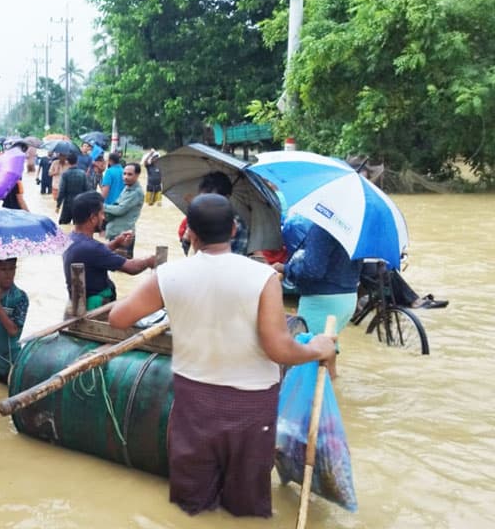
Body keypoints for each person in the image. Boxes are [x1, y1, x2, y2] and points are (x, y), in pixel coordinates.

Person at [108, 193, 338, 518]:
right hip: (250, 407)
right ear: (233, 230)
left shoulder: (170, 276)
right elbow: (278, 348)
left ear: (191, 233)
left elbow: (118, 318)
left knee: (195, 502)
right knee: (243, 505)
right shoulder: (263, 278)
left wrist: (177, 303)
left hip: (192, 405)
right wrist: (318, 347)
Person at [62, 191, 160, 310]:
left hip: (81, 301)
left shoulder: (71, 239)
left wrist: (116, 243)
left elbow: (96, 255)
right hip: (95, 307)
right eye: (102, 213)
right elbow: (131, 268)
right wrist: (149, 261)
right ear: (93, 218)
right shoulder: (92, 248)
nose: (103, 218)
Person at [274, 219, 363, 340]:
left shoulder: (322, 227)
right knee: (326, 349)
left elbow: (312, 270)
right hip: (348, 298)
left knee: (305, 351)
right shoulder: (352, 228)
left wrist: (285, 268)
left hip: (321, 300)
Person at [104, 163, 144, 258]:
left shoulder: (136, 192)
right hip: (117, 233)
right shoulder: (127, 188)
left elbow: (120, 210)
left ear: (137, 175)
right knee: (115, 268)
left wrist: (102, 206)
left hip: (124, 236)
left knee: (122, 267)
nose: (125, 177)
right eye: (124, 174)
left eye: (130, 174)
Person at [55, 152, 88, 225]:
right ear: (77, 161)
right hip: (80, 203)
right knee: (79, 226)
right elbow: (87, 190)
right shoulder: (83, 174)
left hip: (68, 204)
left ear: (67, 161)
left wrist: (58, 205)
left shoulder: (65, 174)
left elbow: (61, 191)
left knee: (63, 225)